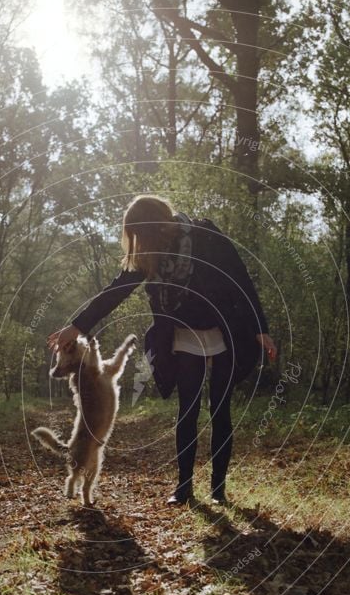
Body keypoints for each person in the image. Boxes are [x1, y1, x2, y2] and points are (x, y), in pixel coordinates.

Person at [47, 194, 276, 506]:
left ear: (157, 224)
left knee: (220, 410)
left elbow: (239, 277)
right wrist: (77, 326)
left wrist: (260, 328)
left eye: (142, 233)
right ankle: (184, 488)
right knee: (188, 409)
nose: (139, 241)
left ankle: (218, 490)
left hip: (224, 330)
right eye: (136, 236)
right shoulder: (148, 255)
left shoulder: (204, 234)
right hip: (182, 335)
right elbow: (115, 291)